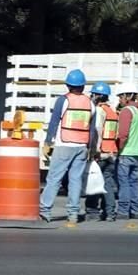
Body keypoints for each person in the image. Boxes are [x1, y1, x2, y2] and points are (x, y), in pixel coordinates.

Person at [39, 69, 96, 224]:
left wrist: (47, 142)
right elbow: (92, 129)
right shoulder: (90, 103)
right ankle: (73, 214)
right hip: (82, 146)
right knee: (76, 180)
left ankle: (45, 211)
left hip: (64, 144)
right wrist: (91, 148)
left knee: (54, 179)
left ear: (68, 85)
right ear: (83, 86)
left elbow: (54, 122)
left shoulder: (63, 100)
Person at [83, 82, 118, 222]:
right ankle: (110, 212)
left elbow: (97, 132)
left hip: (101, 153)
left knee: (93, 182)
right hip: (112, 152)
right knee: (108, 183)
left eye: (93, 94)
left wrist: (93, 152)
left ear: (97, 96)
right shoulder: (113, 112)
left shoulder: (99, 111)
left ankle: (92, 212)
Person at [114, 83, 138, 220]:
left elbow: (123, 134)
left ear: (128, 96)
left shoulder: (126, 111)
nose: (119, 100)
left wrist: (118, 149)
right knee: (133, 182)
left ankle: (123, 211)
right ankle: (135, 210)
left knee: (124, 183)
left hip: (126, 152)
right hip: (137, 152)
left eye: (121, 96)